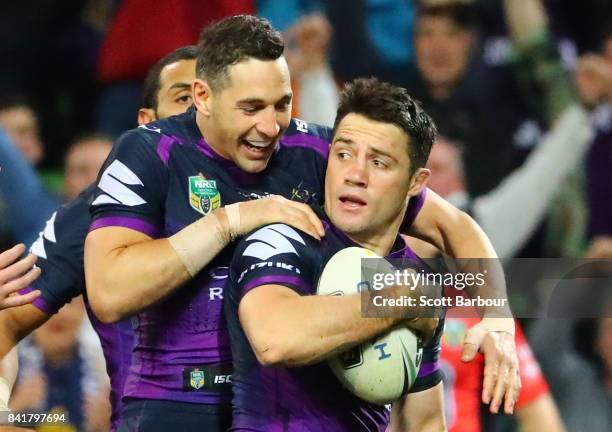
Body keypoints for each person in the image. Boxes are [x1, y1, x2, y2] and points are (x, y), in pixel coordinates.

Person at [85, 16, 520, 428]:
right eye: (251, 108)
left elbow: (454, 227)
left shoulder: (319, 152)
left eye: (282, 104)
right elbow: (109, 293)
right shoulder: (148, 154)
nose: (270, 126)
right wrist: (228, 222)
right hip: (174, 404)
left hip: (287, 404)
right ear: (202, 97)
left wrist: (497, 318)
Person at [225, 77, 445, 431]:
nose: (355, 174)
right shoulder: (284, 238)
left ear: (416, 183)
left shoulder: (415, 277)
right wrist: (396, 301)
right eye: (343, 154)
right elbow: (274, 338)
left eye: (379, 163)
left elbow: (426, 421)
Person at [0, 45, 199, 431]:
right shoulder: (92, 215)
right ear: (147, 122)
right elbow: (5, 322)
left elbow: (357, 259)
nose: (197, 112)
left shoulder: (288, 186)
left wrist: (357, 318)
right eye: (183, 98)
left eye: (210, 99)